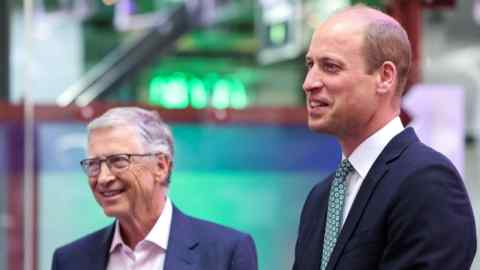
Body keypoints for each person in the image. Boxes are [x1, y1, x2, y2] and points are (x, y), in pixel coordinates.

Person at [293, 4, 476, 270]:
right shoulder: (320, 198)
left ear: (385, 77)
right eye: (310, 65)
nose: (309, 82)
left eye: (330, 67)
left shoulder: (426, 182)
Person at [51, 107, 258, 270]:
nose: (103, 178)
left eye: (119, 160)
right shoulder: (70, 261)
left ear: (161, 166)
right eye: (94, 164)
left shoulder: (226, 253)